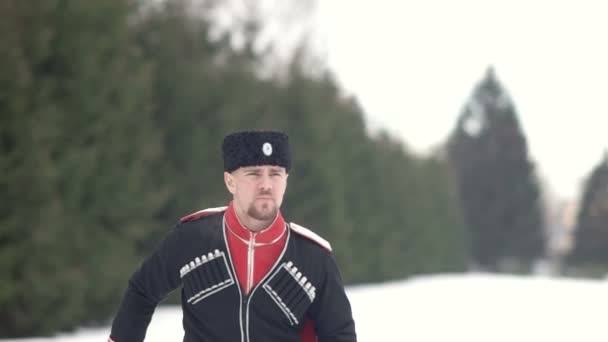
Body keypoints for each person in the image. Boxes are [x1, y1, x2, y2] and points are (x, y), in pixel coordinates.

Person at [108, 130, 357, 342]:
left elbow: (340, 335)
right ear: (230, 181)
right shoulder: (192, 238)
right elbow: (142, 291)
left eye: (275, 173)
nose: (266, 184)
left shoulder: (313, 256)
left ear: (286, 181)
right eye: (254, 173)